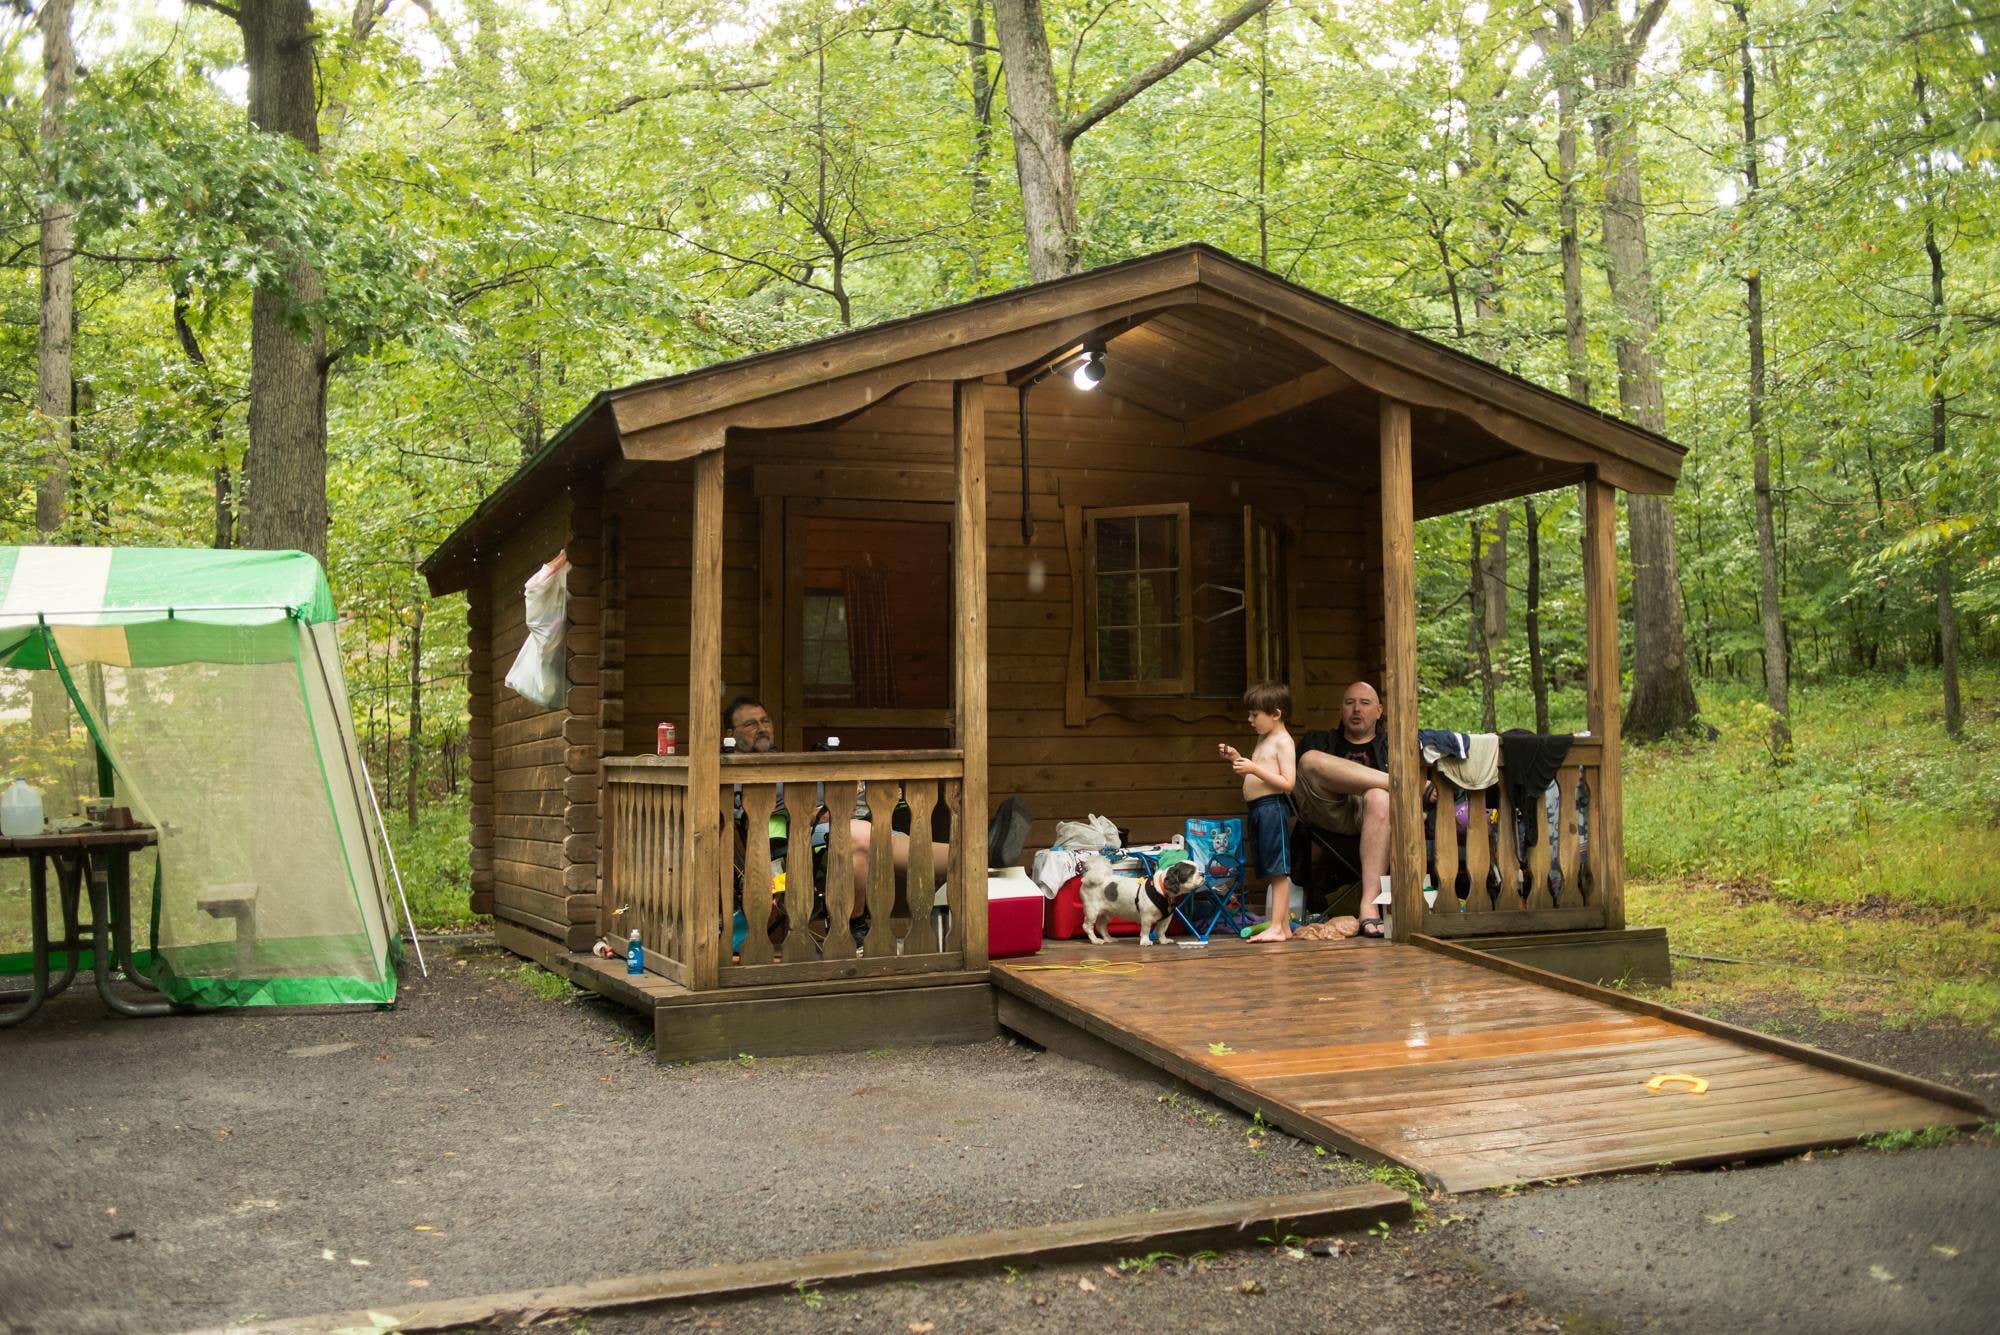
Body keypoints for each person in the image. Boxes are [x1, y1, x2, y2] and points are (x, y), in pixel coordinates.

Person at [1293, 681, 1393, 939]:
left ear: (1379, 711)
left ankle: (1369, 907)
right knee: (1309, 760)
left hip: (1376, 816)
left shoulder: (1393, 747)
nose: (1356, 709)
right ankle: (1396, 783)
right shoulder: (1320, 741)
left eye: (1365, 703)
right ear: (1341, 710)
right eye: (1350, 703)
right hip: (1332, 814)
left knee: (1379, 797)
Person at [1219, 680, 1298, 943]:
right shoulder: (1264, 738)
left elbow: (1288, 783)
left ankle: (1276, 926)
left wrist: (1253, 769)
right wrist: (1236, 758)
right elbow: (1258, 767)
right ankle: (1283, 926)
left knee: (1278, 870)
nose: (1250, 719)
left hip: (1272, 808)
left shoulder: (1284, 741)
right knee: (1268, 867)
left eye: (1255, 714)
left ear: (1276, 714)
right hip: (1257, 809)